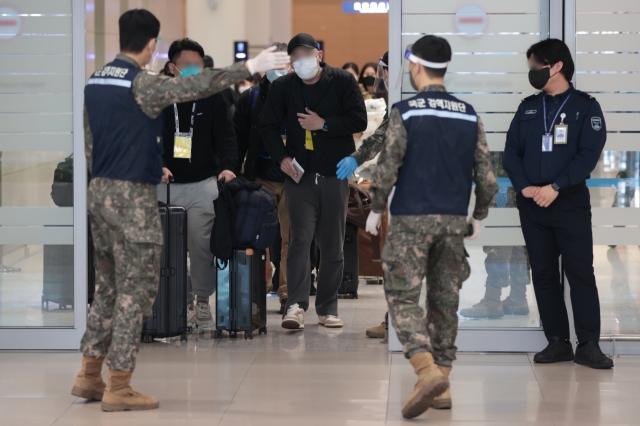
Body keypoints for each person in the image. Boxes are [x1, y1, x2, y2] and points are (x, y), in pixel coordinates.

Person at [71, 8, 289, 412]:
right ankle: (119, 385)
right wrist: (249, 66)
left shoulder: (96, 81)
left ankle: (88, 375)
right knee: (136, 292)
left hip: (99, 192)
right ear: (153, 46)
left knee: (107, 289)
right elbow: (198, 85)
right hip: (132, 198)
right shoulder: (144, 85)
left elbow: (88, 145)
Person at [366, 36, 498, 418]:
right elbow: (487, 179)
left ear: (415, 66)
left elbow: (388, 165)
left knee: (403, 297)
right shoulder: (469, 114)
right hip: (454, 221)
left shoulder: (405, 112)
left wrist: (376, 207)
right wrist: (479, 216)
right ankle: (443, 384)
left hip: (410, 221)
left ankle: (425, 371)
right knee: (445, 302)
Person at [503, 38, 612, 369]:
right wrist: (524, 187)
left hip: (569, 202)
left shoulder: (585, 107)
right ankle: (558, 341)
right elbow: (511, 152)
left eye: (536, 65)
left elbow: (588, 155)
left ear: (557, 66)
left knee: (580, 273)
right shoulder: (529, 107)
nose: (533, 72)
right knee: (545, 273)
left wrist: (557, 186)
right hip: (533, 204)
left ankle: (588, 344)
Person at [260, 33, 367, 330]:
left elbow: (360, 120)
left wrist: (325, 124)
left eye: (306, 54)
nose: (301, 61)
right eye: (295, 57)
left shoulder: (343, 81)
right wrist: (281, 157)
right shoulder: (283, 87)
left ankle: (328, 307)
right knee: (298, 241)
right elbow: (266, 126)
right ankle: (295, 305)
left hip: (334, 175)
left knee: (332, 245)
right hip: (300, 177)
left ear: (318, 54)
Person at [160, 38, 238, 332]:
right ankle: (174, 303)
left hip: (203, 182)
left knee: (201, 243)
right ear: (172, 68)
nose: (193, 70)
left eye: (198, 65)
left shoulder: (213, 97)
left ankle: (202, 302)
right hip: (165, 183)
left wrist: (229, 167)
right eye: (187, 65)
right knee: (166, 249)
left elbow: (227, 137)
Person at [235, 41, 292, 314]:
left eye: (284, 64)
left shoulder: (300, 96)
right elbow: (238, 141)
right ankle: (257, 291)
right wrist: (234, 173)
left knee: (291, 238)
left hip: (293, 178)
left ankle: (287, 294)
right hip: (259, 178)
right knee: (258, 237)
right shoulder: (251, 98)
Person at [459, 152, 532, 319]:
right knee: (517, 241)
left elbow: (500, 149)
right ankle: (518, 297)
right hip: (518, 187)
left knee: (497, 243)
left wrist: (501, 184)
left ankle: (492, 301)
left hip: (502, 186)